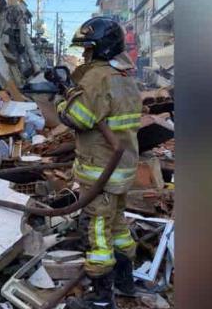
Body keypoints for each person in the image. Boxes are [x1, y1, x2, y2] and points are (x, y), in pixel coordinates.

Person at [58, 17, 142, 309]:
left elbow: (77, 118)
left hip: (100, 172)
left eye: (88, 49)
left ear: (101, 48)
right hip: (122, 170)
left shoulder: (97, 77)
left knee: (97, 230)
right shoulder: (126, 76)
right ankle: (125, 282)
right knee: (118, 225)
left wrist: (63, 96)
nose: (84, 55)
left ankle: (101, 297)